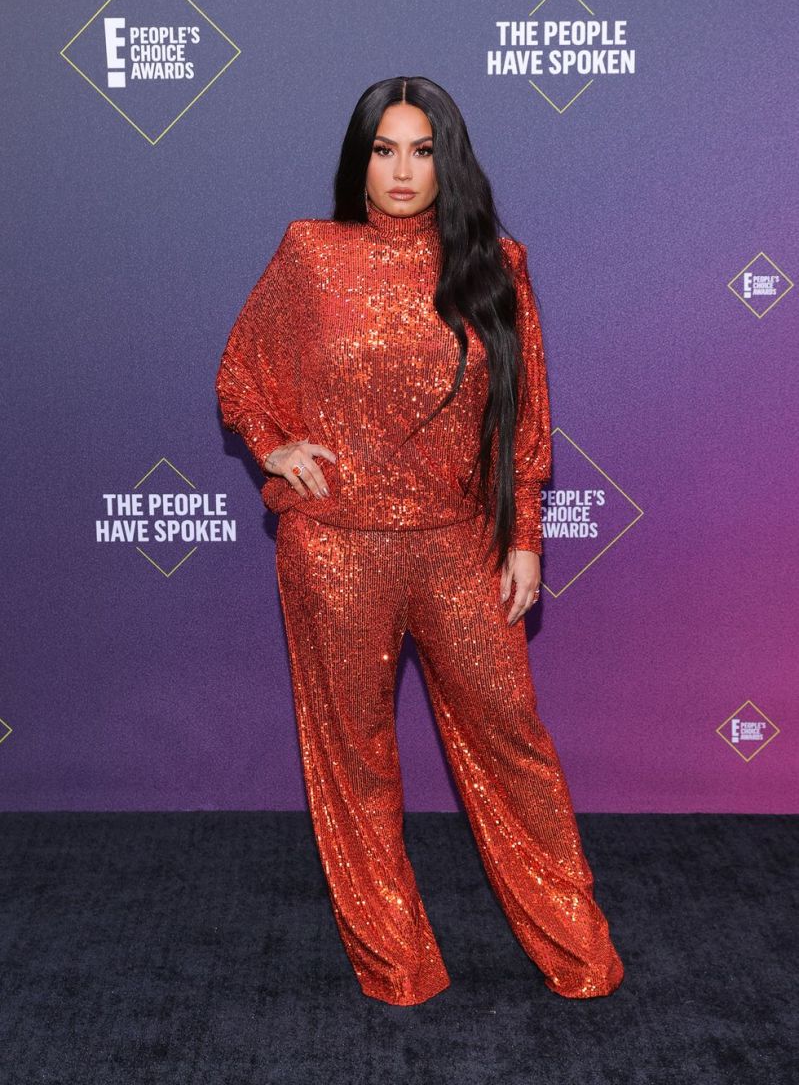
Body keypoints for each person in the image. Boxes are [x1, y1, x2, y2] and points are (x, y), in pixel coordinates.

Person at [215, 75, 624, 1006]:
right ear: (359, 160)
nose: (401, 170)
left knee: (511, 740)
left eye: (423, 150)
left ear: (450, 160)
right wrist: (274, 445)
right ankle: (395, 964)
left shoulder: (495, 264)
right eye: (383, 149)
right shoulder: (310, 253)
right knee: (355, 761)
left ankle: (577, 950)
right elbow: (239, 371)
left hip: (458, 544)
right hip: (333, 550)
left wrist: (525, 536)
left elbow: (522, 413)